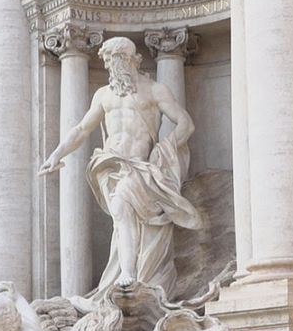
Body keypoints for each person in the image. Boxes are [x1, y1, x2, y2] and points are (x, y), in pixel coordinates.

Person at [40, 37, 199, 296]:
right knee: (122, 219)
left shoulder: (155, 90)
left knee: (121, 206)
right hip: (110, 167)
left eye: (115, 61)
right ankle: (127, 270)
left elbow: (186, 124)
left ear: (130, 60)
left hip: (139, 167)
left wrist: (165, 149)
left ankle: (129, 272)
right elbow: (81, 129)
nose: (111, 68)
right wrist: (56, 155)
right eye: (107, 63)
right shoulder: (103, 95)